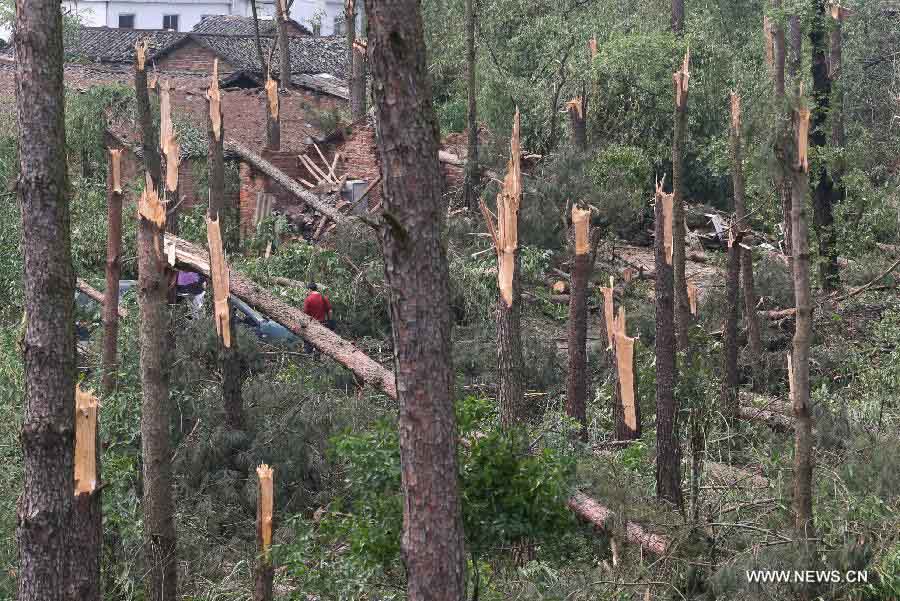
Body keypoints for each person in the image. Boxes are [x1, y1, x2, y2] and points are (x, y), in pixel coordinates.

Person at [303, 282, 333, 354]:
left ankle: (308, 356)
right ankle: (317, 357)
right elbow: (330, 310)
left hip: (312, 324)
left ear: (310, 289)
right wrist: (330, 321)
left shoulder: (308, 299)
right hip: (323, 323)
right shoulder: (323, 297)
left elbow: (305, 314)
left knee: (308, 341)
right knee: (320, 343)